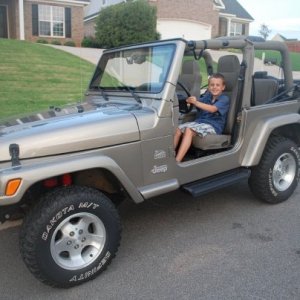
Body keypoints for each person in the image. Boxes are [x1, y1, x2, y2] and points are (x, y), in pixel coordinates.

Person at [174, 73, 229, 162]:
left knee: (189, 130)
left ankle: (177, 161)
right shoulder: (207, 97)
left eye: (217, 85)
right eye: (212, 85)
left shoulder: (224, 99)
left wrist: (196, 103)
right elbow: (197, 103)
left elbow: (212, 109)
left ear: (223, 87)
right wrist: (189, 101)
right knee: (178, 129)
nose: (214, 87)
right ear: (209, 87)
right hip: (200, 122)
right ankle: (170, 157)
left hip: (213, 126)